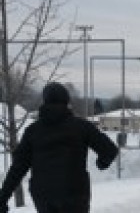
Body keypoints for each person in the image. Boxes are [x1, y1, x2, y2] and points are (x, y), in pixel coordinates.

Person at [0, 82, 119, 213]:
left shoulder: (32, 132)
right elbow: (110, 150)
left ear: (45, 102)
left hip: (44, 196)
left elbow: (18, 167)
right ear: (67, 102)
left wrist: (3, 197)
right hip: (75, 193)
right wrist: (102, 163)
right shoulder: (82, 127)